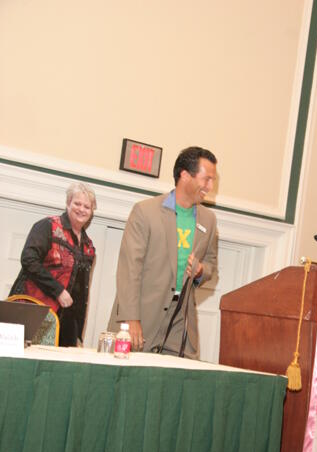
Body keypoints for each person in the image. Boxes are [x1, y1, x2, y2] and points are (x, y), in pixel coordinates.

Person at [108, 146, 218, 358]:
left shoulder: (208, 220)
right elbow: (130, 269)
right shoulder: (145, 211)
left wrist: (201, 270)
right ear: (185, 175)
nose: (210, 186)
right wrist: (131, 318)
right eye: (207, 179)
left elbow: (211, 264)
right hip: (142, 314)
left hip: (181, 319)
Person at [10, 182, 97, 346]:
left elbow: (81, 292)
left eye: (87, 206)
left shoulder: (89, 247)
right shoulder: (47, 226)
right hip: (35, 312)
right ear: (68, 203)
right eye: (77, 203)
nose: (81, 209)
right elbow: (29, 260)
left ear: (91, 212)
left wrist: (78, 332)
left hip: (67, 321)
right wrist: (58, 291)